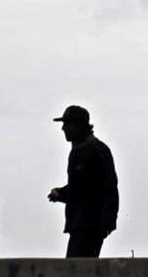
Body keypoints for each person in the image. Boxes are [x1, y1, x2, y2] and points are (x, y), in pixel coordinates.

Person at [47, 105, 119, 258]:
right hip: (78, 225)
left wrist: (107, 223)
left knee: (77, 267)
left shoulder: (98, 150)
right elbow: (79, 189)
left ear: (78, 126)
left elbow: (110, 187)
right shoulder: (76, 152)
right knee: (74, 266)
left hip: (92, 226)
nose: (63, 128)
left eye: (67, 124)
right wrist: (60, 193)